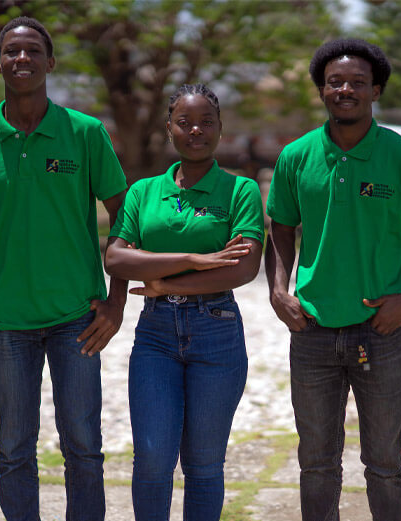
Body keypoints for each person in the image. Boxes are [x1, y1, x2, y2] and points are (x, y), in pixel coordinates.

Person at [265, 39, 401, 521]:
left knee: (386, 464)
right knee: (316, 464)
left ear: (376, 91)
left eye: (357, 82)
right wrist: (279, 290)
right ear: (322, 90)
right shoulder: (296, 156)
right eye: (335, 82)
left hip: (382, 333)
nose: (345, 89)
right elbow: (280, 229)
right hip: (311, 331)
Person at [0, 17, 127, 521]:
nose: (21, 59)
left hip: (77, 315)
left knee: (84, 447)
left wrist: (115, 300)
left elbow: (124, 211)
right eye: (11, 51)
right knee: (13, 451)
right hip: (7, 320)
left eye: (32, 51)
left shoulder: (85, 132)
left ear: (50, 62)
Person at [105, 84, 263, 521]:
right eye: (185, 122)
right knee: (153, 461)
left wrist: (161, 281)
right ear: (169, 127)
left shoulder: (240, 191)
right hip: (155, 335)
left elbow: (243, 269)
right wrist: (193, 260)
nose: (196, 130)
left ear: (220, 128)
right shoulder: (143, 192)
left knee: (204, 466)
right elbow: (116, 258)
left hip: (217, 330)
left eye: (206, 122)